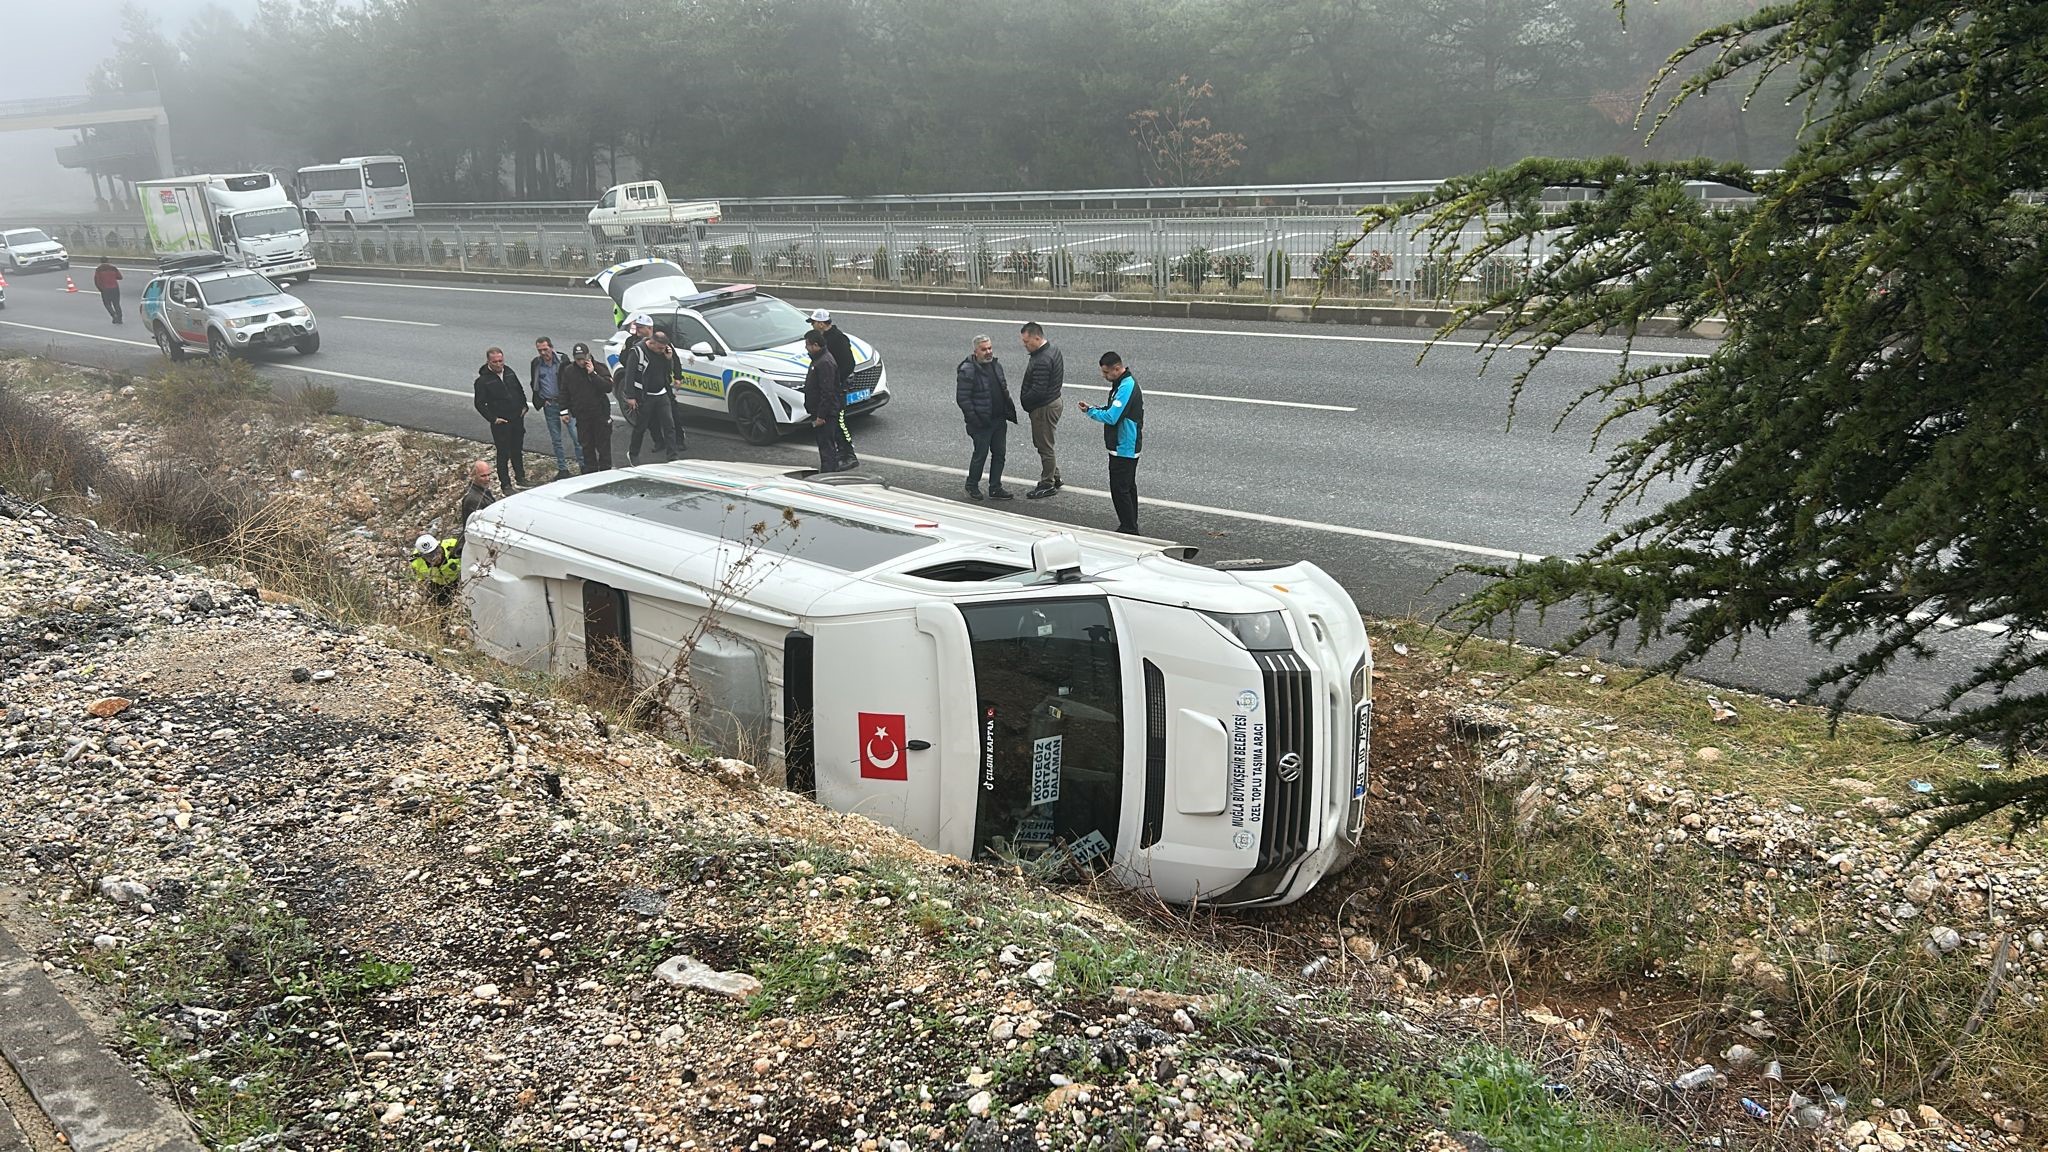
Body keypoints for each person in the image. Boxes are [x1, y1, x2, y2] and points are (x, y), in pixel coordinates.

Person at [1081, 351, 1144, 535]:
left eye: (1106, 373)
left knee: (1120, 489)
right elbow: (1112, 408)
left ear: (1117, 368)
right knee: (1128, 487)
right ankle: (1130, 524)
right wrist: (1093, 408)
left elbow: (1112, 416)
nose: (1104, 376)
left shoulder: (1126, 386)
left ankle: (1129, 528)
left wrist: (1091, 413)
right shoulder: (1121, 383)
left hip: (1124, 446)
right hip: (1124, 445)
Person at [956, 334, 1017, 500]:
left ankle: (995, 487)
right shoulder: (967, 370)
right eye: (984, 349)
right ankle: (971, 485)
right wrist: (975, 420)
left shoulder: (996, 365)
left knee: (1000, 454)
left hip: (999, 420)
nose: (988, 352)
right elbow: (963, 399)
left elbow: (1003, 390)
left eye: (990, 348)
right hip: (981, 423)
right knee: (980, 455)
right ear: (975, 351)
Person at [472, 347, 529, 493]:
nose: (498, 364)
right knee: (503, 453)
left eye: (500, 361)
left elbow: (519, 389)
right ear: (488, 362)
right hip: (501, 423)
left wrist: (524, 406)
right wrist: (493, 419)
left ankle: (521, 478)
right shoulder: (483, 380)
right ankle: (506, 484)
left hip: (517, 418)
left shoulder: (509, 372)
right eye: (495, 362)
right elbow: (479, 403)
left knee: (517, 450)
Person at [1018, 322, 1064, 499]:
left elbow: (1038, 391)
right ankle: (1054, 475)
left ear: (1037, 338)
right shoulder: (1053, 350)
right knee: (1046, 442)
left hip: (1043, 408)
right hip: (1054, 402)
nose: (1025, 345)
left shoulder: (1042, 360)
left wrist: (1026, 403)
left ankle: (1047, 483)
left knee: (1044, 446)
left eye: (1027, 341)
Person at [808, 309, 860, 468]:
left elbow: (849, 364)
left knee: (841, 421)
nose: (812, 326)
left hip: (838, 389)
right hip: (830, 387)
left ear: (822, 324)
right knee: (834, 425)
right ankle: (839, 453)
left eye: (814, 323)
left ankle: (849, 455)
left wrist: (836, 382)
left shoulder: (839, 339)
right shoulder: (823, 339)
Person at [529, 337, 582, 479]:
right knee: (556, 439)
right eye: (540, 350)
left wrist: (569, 402)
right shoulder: (536, 363)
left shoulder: (562, 360)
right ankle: (563, 469)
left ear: (551, 347)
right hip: (549, 405)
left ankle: (583, 466)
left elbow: (571, 381)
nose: (543, 353)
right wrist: (541, 400)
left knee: (576, 436)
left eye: (545, 349)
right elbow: (534, 383)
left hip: (565, 404)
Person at [626, 330, 681, 464]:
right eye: (660, 348)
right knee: (641, 427)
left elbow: (667, 371)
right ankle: (633, 453)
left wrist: (669, 360)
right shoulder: (637, 352)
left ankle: (672, 456)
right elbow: (629, 374)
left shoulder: (664, 352)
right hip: (645, 396)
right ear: (652, 343)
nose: (662, 351)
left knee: (669, 425)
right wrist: (631, 396)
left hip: (661, 394)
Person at [559, 342, 615, 472]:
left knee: (603, 448)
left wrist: (593, 374)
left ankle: (606, 473)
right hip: (582, 417)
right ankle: (591, 473)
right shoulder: (569, 371)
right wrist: (564, 411)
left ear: (588, 356)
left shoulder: (599, 368)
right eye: (578, 359)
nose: (580, 362)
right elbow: (564, 391)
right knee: (587, 447)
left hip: (600, 416)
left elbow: (608, 387)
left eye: (583, 358)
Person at [802, 330, 844, 472]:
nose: (806, 348)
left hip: (826, 415)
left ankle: (829, 475)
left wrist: (821, 416)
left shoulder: (824, 362)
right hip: (821, 411)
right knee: (825, 446)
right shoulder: (819, 359)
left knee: (827, 448)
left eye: (807, 345)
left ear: (815, 345)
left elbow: (827, 392)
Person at [409, 534, 462, 605]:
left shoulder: (455, 547)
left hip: (460, 578)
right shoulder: (416, 562)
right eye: (429, 555)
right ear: (422, 556)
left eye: (436, 552)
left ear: (439, 546)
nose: (435, 557)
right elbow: (421, 579)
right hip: (439, 583)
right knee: (442, 604)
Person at [457, 460, 497, 543]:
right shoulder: (473, 500)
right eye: (483, 476)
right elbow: (475, 529)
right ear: (473, 476)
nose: (488, 479)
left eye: (489, 475)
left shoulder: (482, 490)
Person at [93, 260, 123, 325]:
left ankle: (114, 315)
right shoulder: (113, 268)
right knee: (116, 304)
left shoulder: (99, 269)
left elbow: (97, 280)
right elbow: (120, 277)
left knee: (107, 304)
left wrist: (100, 289)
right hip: (115, 288)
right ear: (108, 261)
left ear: (101, 261)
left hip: (105, 289)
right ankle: (120, 318)